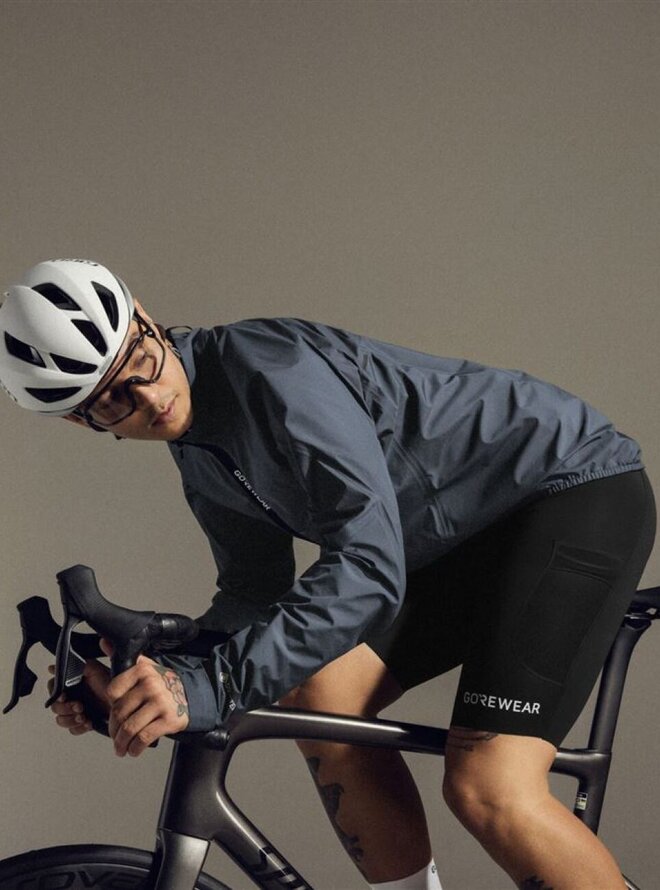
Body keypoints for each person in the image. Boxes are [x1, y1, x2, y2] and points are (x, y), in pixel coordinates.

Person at [0, 259, 655, 890]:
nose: (150, 396)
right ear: (81, 421)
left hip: (570, 496)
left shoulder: (271, 372)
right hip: (464, 541)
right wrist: (148, 677)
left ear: (144, 316)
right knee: (319, 697)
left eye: (139, 360)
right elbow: (252, 593)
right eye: (113, 400)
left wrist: (209, 685)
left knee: (487, 784)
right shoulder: (200, 450)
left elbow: (368, 563)